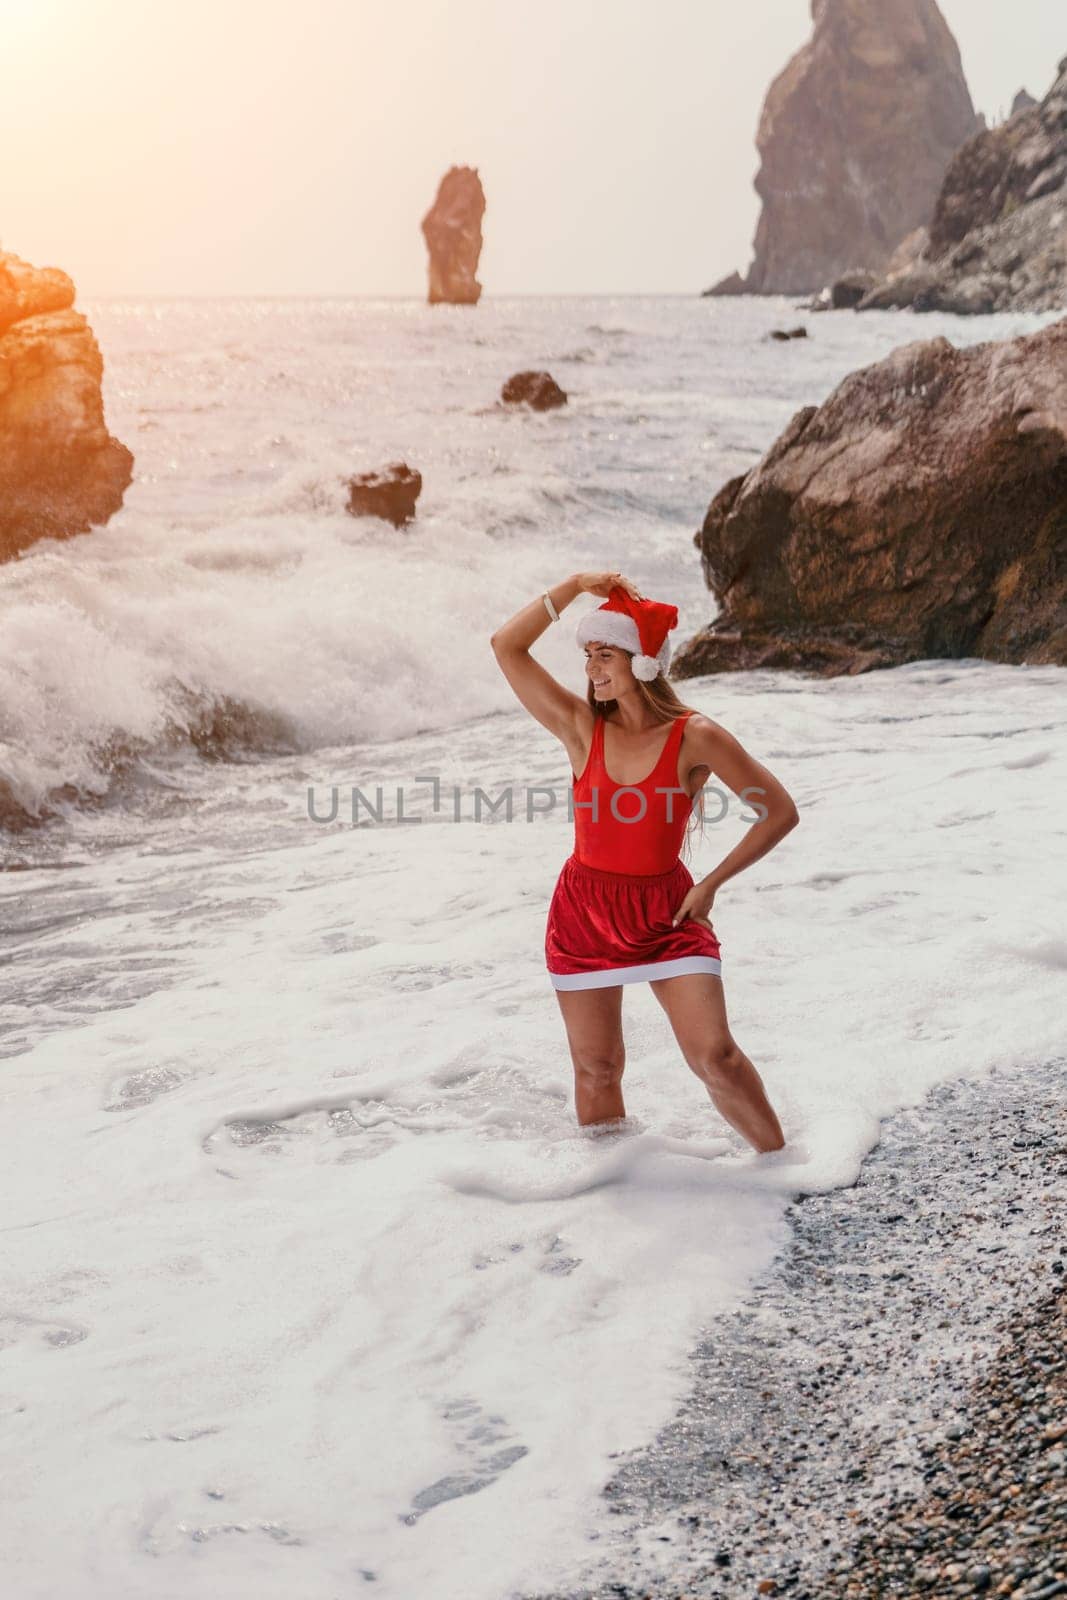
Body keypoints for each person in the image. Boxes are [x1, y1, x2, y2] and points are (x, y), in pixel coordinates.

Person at [490, 569, 796, 1153]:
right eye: (588, 654)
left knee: (717, 1057)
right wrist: (576, 585)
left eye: (606, 654)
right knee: (597, 1070)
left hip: (669, 914)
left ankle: (783, 1169)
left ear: (644, 662)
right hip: (584, 917)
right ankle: (616, 1196)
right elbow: (507, 646)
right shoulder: (581, 729)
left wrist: (711, 884)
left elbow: (777, 811)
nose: (592, 669)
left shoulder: (695, 737)